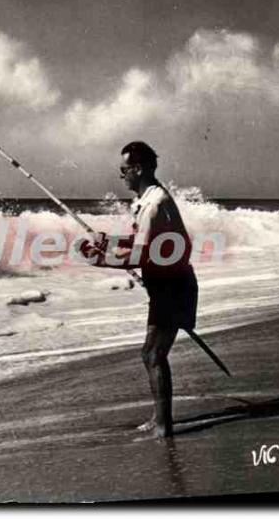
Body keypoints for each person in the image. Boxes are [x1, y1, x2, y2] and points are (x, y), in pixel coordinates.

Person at [80, 141, 198, 438]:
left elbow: (140, 255)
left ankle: (163, 427)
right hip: (169, 285)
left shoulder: (153, 205)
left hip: (174, 288)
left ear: (139, 168)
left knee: (153, 355)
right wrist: (107, 240)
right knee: (151, 354)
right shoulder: (150, 198)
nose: (122, 176)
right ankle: (160, 418)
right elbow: (143, 243)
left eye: (124, 169)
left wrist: (100, 260)